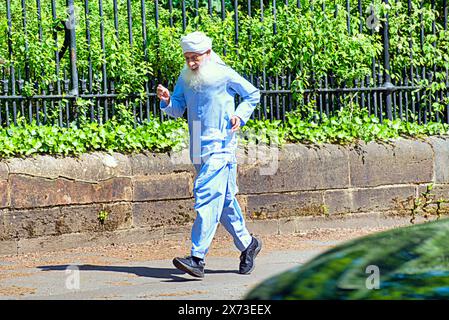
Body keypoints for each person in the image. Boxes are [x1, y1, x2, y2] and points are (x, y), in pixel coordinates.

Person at [156, 31, 262, 278]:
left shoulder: (223, 73)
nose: (191, 62)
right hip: (197, 144)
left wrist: (240, 115)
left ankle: (197, 257)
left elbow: (252, 94)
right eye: (187, 58)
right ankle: (248, 245)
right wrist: (167, 100)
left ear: (208, 53)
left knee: (205, 193)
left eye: (196, 57)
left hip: (221, 143)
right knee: (223, 200)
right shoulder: (185, 77)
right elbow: (178, 109)